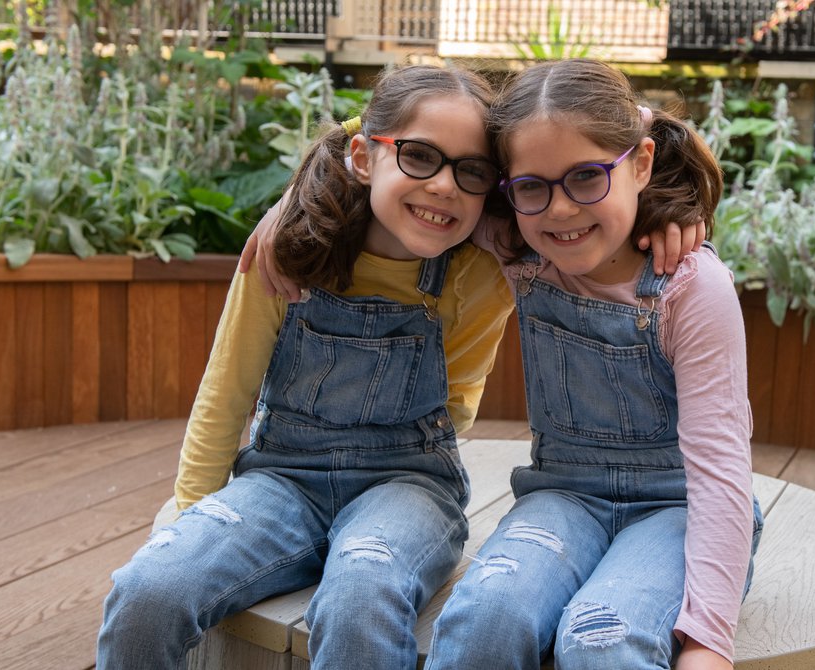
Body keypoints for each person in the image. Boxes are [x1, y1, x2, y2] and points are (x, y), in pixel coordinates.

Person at [96, 64, 517, 669]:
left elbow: (461, 398)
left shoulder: (481, 273)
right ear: (365, 157)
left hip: (408, 485)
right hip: (282, 478)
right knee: (149, 591)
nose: (444, 186)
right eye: (419, 156)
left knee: (362, 591)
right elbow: (228, 387)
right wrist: (193, 518)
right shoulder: (290, 252)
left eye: (470, 170)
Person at [424, 59, 763, 670]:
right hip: (563, 498)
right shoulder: (516, 244)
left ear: (641, 164)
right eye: (533, 186)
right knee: (484, 620)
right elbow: (404, 153)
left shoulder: (691, 288)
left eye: (587, 177)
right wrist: (293, 201)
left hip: (677, 509)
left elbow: (721, 468)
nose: (559, 210)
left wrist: (711, 639)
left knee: (602, 638)